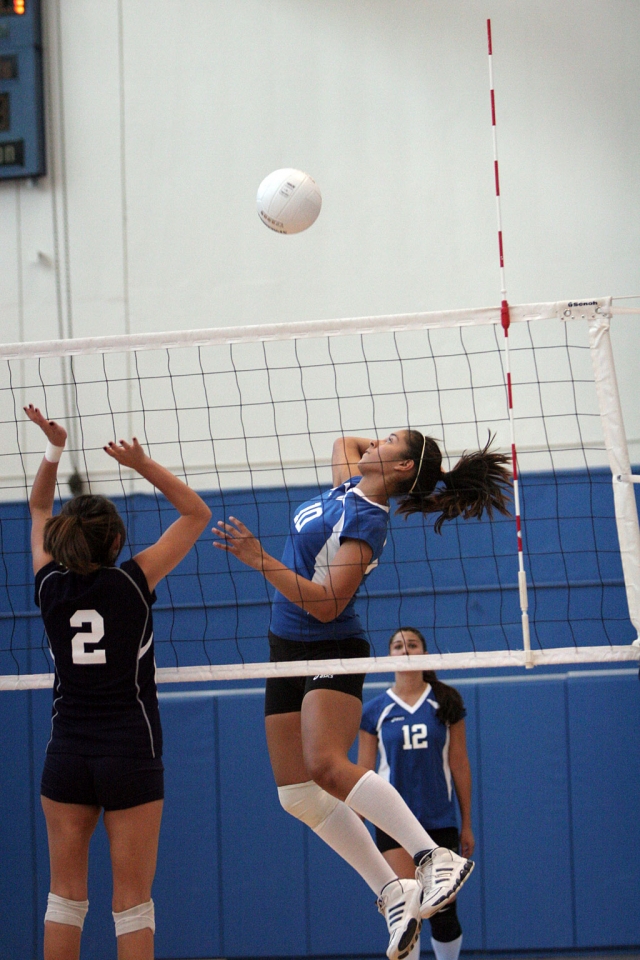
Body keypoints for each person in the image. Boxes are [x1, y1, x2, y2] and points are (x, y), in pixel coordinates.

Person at [213, 429, 510, 960]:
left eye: (392, 441)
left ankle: (431, 856)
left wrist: (259, 558)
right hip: (285, 648)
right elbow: (343, 441)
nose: (379, 440)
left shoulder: (367, 519)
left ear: (399, 469)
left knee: (326, 765)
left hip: (330, 645)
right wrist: (397, 459)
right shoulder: (349, 487)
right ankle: (393, 891)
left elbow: (327, 604)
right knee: (296, 793)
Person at [25, 404, 211, 960]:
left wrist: (55, 448)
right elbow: (196, 514)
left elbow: (36, 505)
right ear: (115, 544)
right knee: (131, 902)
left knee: (64, 897)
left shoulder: (47, 586)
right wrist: (140, 463)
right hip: (130, 751)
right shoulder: (133, 582)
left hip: (68, 753)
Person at [359, 627, 474, 960]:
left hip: (438, 819)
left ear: (424, 653)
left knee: (442, 913)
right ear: (389, 656)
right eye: (398, 645)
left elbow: (460, 765)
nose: (405, 650)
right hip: (392, 822)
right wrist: (355, 827)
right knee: (406, 913)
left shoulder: (447, 701)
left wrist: (466, 824)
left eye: (412, 644)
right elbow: (362, 774)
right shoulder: (375, 710)